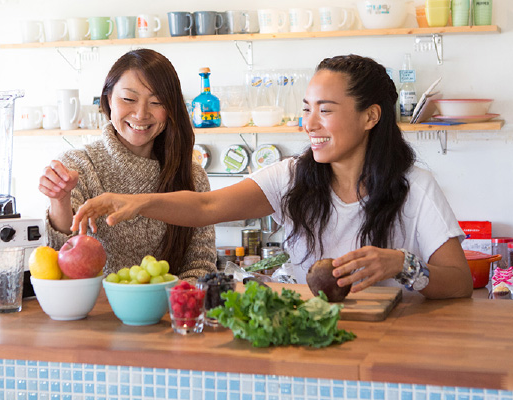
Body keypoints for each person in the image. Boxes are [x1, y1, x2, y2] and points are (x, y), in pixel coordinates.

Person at [70, 54, 473, 300]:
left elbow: (458, 282)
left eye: (325, 110)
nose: (308, 123)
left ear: (370, 116)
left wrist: (399, 264)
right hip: (307, 335)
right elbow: (208, 206)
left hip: (391, 339)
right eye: (306, 108)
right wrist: (139, 202)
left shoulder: (414, 187)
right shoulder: (292, 177)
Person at [39, 48, 217, 281]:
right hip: (95, 312)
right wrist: (59, 199)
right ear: (108, 98)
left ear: (171, 109)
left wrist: (168, 305)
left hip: (168, 312)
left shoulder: (191, 175)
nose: (141, 114)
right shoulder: (78, 165)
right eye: (129, 99)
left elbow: (200, 266)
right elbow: (61, 256)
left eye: (156, 102)